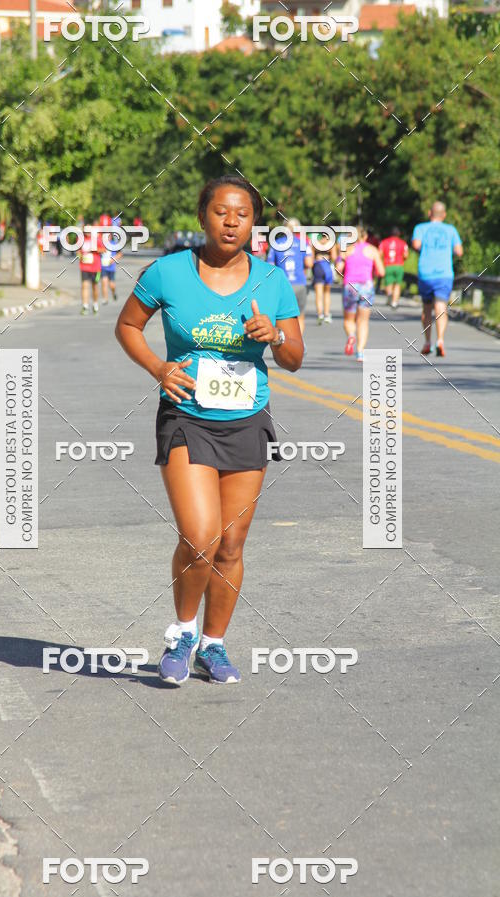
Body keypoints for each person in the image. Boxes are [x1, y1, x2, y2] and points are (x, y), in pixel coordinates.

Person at [115, 175, 304, 685]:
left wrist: (276, 335)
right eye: (221, 212)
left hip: (246, 420)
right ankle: (181, 632)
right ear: (203, 216)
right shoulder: (168, 272)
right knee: (199, 538)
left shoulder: (272, 280)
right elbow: (127, 326)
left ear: (254, 224)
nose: (231, 222)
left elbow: (294, 359)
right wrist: (159, 368)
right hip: (185, 417)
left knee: (230, 545)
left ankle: (213, 645)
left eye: (242, 215)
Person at [412, 202, 463, 357]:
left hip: (426, 273)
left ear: (430, 213)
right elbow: (459, 251)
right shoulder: (451, 230)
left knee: (427, 308)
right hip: (444, 273)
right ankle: (440, 340)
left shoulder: (420, 228)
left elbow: (416, 245)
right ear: (444, 215)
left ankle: (427, 342)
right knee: (441, 306)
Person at [337, 226, 385, 362]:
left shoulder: (347, 250)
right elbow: (381, 272)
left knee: (348, 319)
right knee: (363, 321)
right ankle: (360, 352)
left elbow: (339, 269)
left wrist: (341, 259)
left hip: (350, 286)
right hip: (366, 286)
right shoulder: (372, 250)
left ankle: (351, 335)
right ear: (365, 237)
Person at [266, 217, 313, 334]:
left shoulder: (276, 244)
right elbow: (309, 263)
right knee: (300, 316)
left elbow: (270, 266)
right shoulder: (303, 243)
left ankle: (286, 342)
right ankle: (299, 343)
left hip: (283, 285)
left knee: (283, 317)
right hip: (299, 283)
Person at [379, 227, 409, 309]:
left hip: (388, 265)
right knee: (397, 285)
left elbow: (380, 254)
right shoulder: (403, 243)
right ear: (399, 234)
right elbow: (406, 255)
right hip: (399, 266)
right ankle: (394, 302)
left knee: (388, 283)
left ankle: (389, 295)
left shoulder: (384, 242)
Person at [78, 223, 102, 314]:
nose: (87, 233)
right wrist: (80, 255)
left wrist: (94, 249)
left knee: (94, 286)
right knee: (84, 286)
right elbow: (78, 250)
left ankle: (95, 304)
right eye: (85, 231)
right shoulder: (81, 240)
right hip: (84, 266)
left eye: (89, 231)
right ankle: (85, 306)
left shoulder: (96, 240)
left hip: (95, 268)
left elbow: (104, 250)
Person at [312, 235, 335, 324]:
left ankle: (320, 314)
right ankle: (326, 315)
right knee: (327, 293)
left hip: (318, 267)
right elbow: (334, 257)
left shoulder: (315, 244)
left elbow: (312, 257)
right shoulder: (331, 245)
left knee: (318, 294)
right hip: (327, 268)